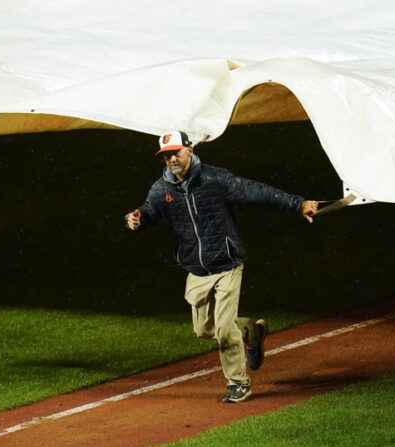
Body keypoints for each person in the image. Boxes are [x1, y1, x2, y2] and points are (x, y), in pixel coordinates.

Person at [125, 130, 318, 403]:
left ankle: (238, 384)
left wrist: (297, 204)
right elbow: (149, 211)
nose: (171, 160)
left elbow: (255, 190)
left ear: (190, 150)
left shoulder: (215, 179)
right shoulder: (162, 189)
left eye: (176, 153)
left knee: (225, 331)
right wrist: (138, 218)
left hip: (227, 265)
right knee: (203, 330)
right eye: (166, 156)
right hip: (196, 270)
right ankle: (252, 331)